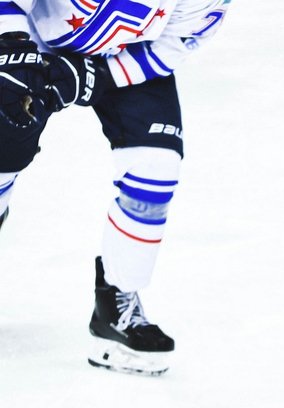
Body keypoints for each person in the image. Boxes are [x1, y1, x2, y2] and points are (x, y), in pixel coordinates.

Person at [0, 0, 231, 375]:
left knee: (156, 167)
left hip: (126, 58)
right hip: (26, 43)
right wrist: (10, 47)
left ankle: (116, 310)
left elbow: (175, 41)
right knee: (2, 147)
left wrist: (100, 77)